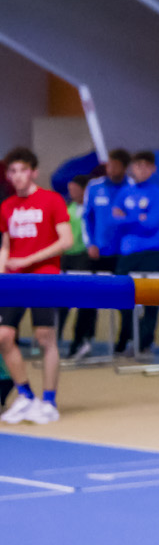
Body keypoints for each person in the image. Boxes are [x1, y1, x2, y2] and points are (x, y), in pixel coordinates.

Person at [0, 148, 73, 424]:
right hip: (14, 279)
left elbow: (66, 240)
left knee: (45, 337)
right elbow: (6, 245)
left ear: (33, 172)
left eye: (22, 170)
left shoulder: (52, 200)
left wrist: (29, 259)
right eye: (12, 171)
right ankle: (25, 396)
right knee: (3, 336)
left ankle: (49, 401)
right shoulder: (7, 206)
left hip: (44, 275)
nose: (17, 176)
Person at [111, 150, 159, 361]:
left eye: (146, 166)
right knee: (122, 298)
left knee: (151, 300)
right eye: (138, 165)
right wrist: (138, 217)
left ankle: (144, 342)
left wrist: (129, 218)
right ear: (132, 168)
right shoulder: (125, 192)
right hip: (128, 252)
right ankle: (126, 337)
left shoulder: (157, 193)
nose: (141, 170)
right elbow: (114, 219)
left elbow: (152, 222)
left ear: (153, 169)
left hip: (152, 252)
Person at [81, 149, 128, 357]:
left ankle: (124, 341)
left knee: (125, 300)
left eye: (116, 165)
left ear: (124, 167)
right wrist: (90, 243)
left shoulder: (131, 188)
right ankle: (84, 340)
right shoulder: (94, 186)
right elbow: (86, 217)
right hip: (97, 253)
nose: (111, 169)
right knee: (89, 299)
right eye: (109, 164)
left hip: (123, 255)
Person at [59, 176, 93, 360]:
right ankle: (55, 339)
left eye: (75, 189)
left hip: (84, 257)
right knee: (61, 301)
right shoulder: (67, 208)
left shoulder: (91, 207)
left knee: (84, 301)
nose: (72, 192)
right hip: (67, 257)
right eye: (69, 189)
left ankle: (81, 340)